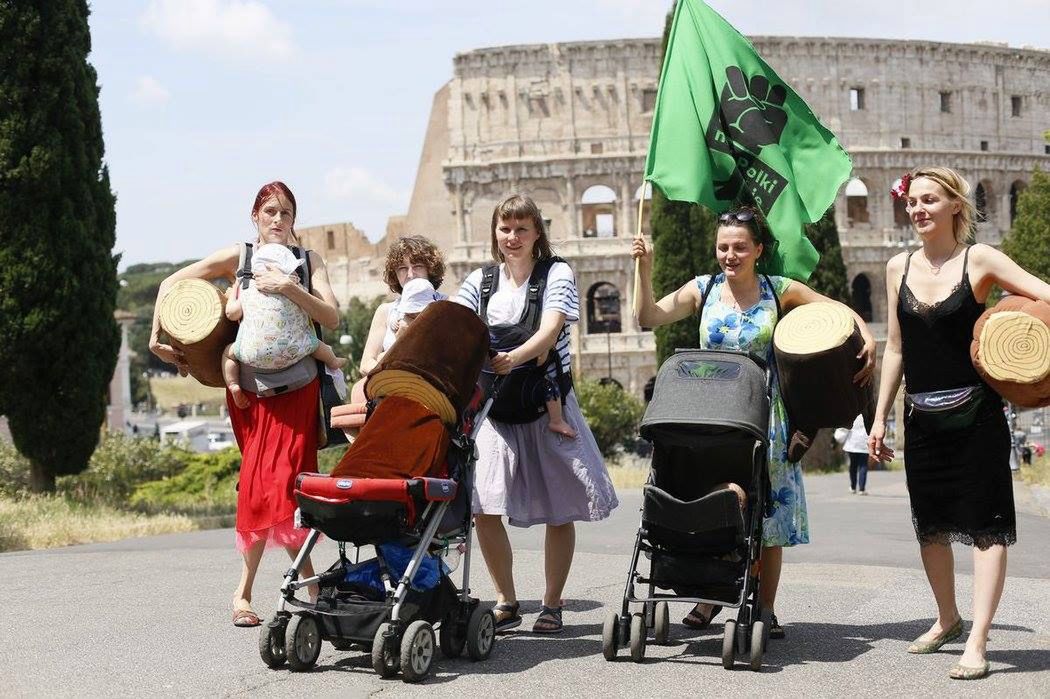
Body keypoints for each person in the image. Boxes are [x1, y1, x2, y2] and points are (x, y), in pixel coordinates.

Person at [631, 205, 876, 639]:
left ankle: (765, 607)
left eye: (740, 247)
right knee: (717, 502)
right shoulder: (702, 290)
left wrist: (867, 334)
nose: (730, 255)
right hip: (712, 414)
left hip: (766, 414)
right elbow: (647, 317)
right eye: (723, 247)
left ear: (758, 249)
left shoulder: (777, 290)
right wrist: (643, 267)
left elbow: (836, 310)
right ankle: (711, 597)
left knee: (770, 514)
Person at [869, 166, 1050, 679]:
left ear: (955, 205)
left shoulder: (980, 259)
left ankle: (978, 639)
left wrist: (1021, 348)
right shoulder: (896, 266)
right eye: (912, 202)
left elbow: (1043, 295)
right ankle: (947, 618)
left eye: (930, 200)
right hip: (920, 416)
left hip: (978, 416)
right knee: (932, 528)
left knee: (988, 527)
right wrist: (880, 416)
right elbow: (897, 347)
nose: (918, 209)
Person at [149, 181, 341, 627]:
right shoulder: (241, 258)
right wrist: (155, 337)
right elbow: (170, 282)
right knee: (268, 485)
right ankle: (308, 586)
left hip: (298, 391)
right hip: (249, 396)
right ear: (255, 216)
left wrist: (290, 288)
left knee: (281, 485)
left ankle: (246, 592)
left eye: (287, 213)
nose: (278, 220)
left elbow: (331, 317)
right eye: (270, 211)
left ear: (295, 221)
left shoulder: (310, 262)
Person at [454, 194, 618, 634]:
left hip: (548, 402)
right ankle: (506, 599)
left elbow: (550, 330)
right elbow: (454, 321)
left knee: (559, 507)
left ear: (537, 233)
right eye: (505, 229)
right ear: (495, 232)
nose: (512, 237)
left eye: (522, 229)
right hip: (496, 407)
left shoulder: (557, 273)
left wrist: (513, 356)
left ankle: (552, 602)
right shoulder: (481, 281)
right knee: (482, 503)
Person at [221, 242, 346, 409]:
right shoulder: (298, 288)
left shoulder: (248, 290)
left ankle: (233, 384)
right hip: (294, 352)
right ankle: (333, 361)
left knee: (228, 354)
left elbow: (231, 313)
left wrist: (234, 292)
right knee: (315, 344)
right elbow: (314, 314)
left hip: (254, 355)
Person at [358, 236, 447, 376]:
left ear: (430, 269)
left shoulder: (450, 305)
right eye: (402, 268)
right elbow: (366, 365)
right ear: (395, 274)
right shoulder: (385, 311)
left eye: (417, 266)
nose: (411, 274)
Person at [835, 414, 872, 494]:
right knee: (863, 466)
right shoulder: (868, 414)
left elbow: (845, 427)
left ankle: (853, 487)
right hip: (864, 444)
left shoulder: (854, 413)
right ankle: (862, 489)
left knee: (853, 466)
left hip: (852, 443)